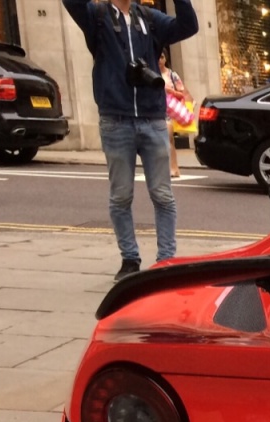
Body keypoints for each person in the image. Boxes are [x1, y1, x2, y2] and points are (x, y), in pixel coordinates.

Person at [61, 0, 198, 281]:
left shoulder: (149, 17)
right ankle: (130, 259)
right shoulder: (96, 17)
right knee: (121, 196)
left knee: (162, 195)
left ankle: (166, 261)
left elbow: (189, 25)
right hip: (116, 120)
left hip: (152, 120)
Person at [160, 50, 190, 178]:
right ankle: (163, 168)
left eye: (161, 57)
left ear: (165, 59)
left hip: (169, 111)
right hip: (155, 110)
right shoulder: (151, 74)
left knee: (168, 139)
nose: (159, 60)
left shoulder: (172, 75)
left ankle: (174, 167)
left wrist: (168, 90)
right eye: (157, 57)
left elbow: (182, 93)